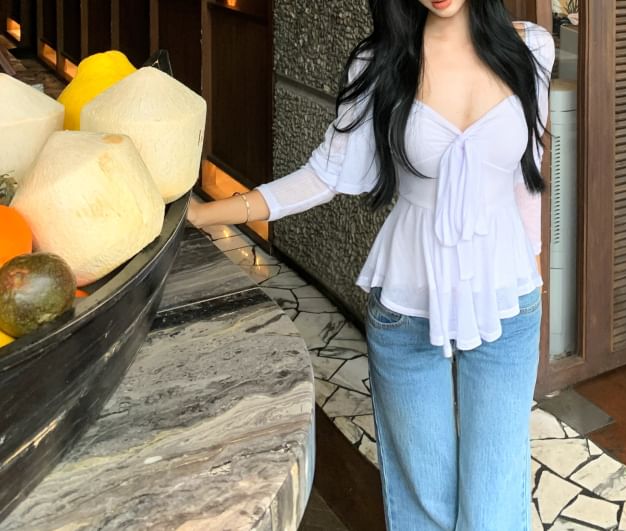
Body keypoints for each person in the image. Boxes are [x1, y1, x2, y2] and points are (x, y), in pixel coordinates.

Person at [189, 0, 554, 528]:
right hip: (408, 304)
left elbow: (527, 175)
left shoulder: (532, 50)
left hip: (506, 300)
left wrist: (533, 275)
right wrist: (207, 212)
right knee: (424, 498)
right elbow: (324, 175)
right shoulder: (382, 62)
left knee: (493, 505)